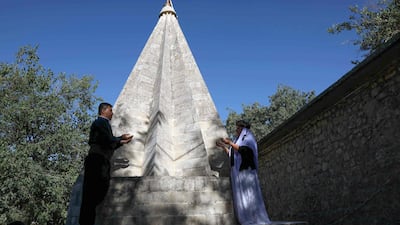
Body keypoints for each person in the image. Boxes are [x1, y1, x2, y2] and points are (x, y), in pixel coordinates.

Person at [79, 102, 133, 225]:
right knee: (92, 196)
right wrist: (120, 138)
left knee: (95, 195)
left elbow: (107, 143)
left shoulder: (103, 124)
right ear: (103, 111)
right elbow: (106, 140)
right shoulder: (100, 123)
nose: (112, 113)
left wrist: (122, 142)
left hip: (100, 161)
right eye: (110, 110)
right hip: (97, 161)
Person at [216, 120, 271, 225]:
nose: (236, 130)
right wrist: (223, 146)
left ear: (243, 128)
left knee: (250, 195)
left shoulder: (249, 138)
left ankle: (254, 218)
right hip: (238, 174)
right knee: (242, 196)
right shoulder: (238, 140)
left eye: (238, 128)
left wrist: (230, 143)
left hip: (247, 172)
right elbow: (232, 155)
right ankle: (246, 218)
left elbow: (244, 151)